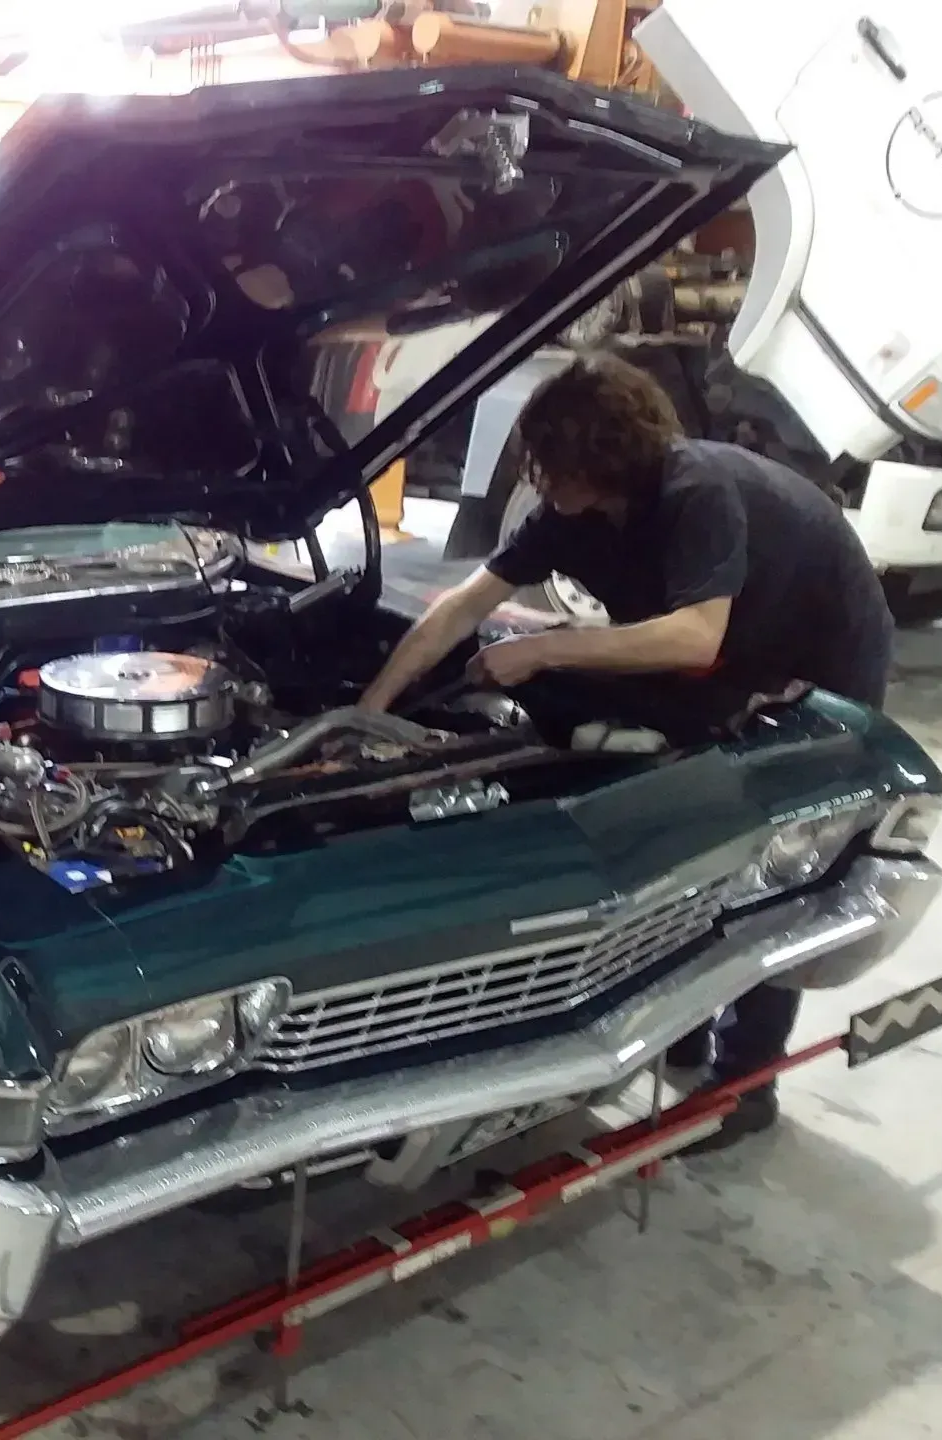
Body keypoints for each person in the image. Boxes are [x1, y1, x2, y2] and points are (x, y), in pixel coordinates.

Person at [357, 349, 894, 1152]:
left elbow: (693, 634)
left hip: (819, 652)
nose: (541, 481)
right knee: (678, 820)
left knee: (774, 858)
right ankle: (678, 1024)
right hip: (727, 656)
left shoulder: (694, 493)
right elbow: (461, 606)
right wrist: (369, 711)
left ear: (604, 455)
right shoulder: (570, 515)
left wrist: (549, 650)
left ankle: (746, 1083)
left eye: (554, 464)